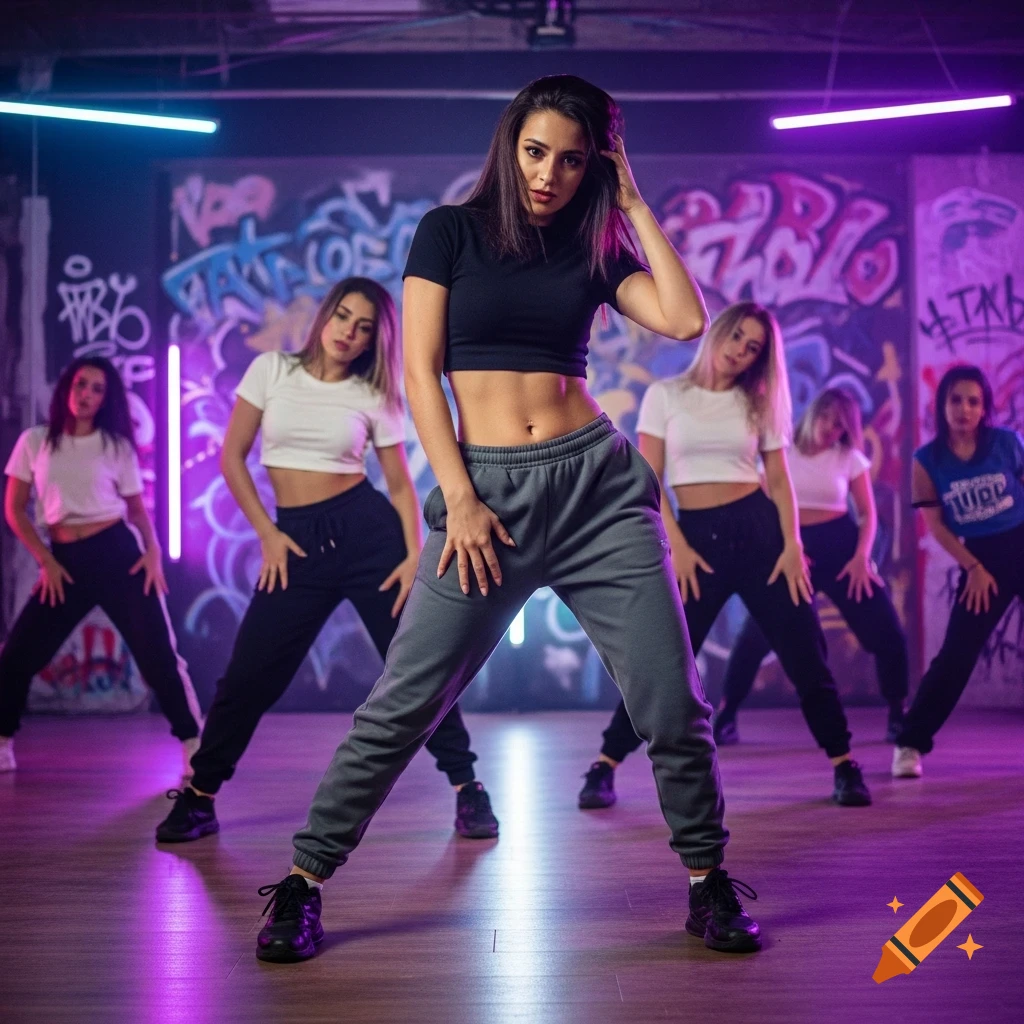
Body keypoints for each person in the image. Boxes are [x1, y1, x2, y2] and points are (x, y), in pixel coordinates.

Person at [251, 75, 762, 965]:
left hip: (598, 490)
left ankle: (707, 878)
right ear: (509, 142)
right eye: (536, 152)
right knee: (402, 705)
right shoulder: (447, 232)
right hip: (482, 494)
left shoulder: (598, 244)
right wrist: (459, 497)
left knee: (672, 701)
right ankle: (302, 882)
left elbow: (685, 319)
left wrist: (633, 201)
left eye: (573, 160)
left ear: (594, 162)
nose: (549, 175)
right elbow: (419, 376)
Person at [155, 277, 497, 844]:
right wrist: (267, 534)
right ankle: (200, 795)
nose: (349, 332)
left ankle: (468, 788)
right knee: (249, 675)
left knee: (417, 669)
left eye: (364, 327)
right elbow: (232, 459)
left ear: (371, 341)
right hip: (294, 543)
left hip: (368, 539)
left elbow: (396, 485)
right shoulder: (271, 371)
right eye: (343, 317)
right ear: (325, 317)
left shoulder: (373, 394)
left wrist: (413, 553)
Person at [579, 303, 872, 812]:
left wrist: (792, 545)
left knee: (806, 652)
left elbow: (778, 482)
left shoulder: (757, 403)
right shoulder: (665, 396)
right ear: (717, 333)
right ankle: (604, 765)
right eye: (736, 336)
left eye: (753, 346)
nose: (740, 350)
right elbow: (649, 480)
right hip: (694, 539)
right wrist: (679, 546)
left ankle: (845, 763)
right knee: (661, 663)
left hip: (760, 534)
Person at [0, 356, 201, 775]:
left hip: (117, 556)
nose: (86, 395)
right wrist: (46, 561)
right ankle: (3, 742)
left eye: (96, 389)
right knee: (17, 654)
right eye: (80, 385)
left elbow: (137, 511)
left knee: (158, 657)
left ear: (105, 399)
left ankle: (192, 743)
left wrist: (152, 554)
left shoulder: (115, 446)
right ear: (66, 389)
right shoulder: (35, 441)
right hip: (64, 563)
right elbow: (15, 510)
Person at [715, 387, 908, 746]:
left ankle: (898, 714)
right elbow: (761, 508)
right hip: (789, 544)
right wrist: (786, 548)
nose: (830, 429)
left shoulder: (849, 458)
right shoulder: (781, 451)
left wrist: (862, 558)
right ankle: (726, 715)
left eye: (839, 426)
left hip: (840, 547)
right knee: (756, 634)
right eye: (826, 418)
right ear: (812, 413)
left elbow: (868, 515)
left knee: (888, 632)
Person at [894, 364, 1024, 778]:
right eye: (955, 400)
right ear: (942, 405)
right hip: (980, 558)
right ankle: (911, 743)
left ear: (984, 408)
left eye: (973, 401)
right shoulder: (926, 461)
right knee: (956, 655)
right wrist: (975, 568)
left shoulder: (1006, 444)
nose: (964, 409)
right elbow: (936, 526)